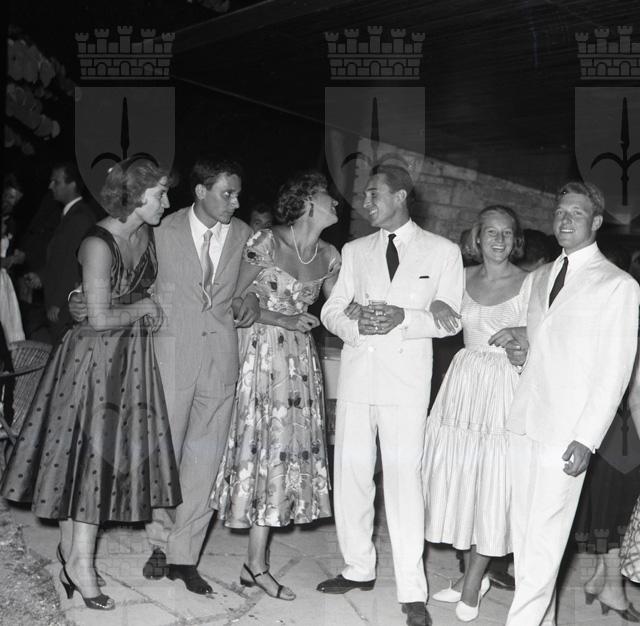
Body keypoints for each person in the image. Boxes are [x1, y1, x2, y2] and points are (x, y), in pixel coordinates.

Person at [1, 158, 182, 611]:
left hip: (128, 361)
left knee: (87, 464)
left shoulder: (145, 234)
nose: (166, 201)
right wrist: (144, 308)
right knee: (89, 463)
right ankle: (81, 565)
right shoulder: (98, 243)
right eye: (159, 193)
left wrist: (138, 304)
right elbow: (99, 318)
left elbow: (131, 295)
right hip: (92, 363)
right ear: (135, 196)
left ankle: (71, 557)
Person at [317, 164, 464, 626]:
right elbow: (331, 310)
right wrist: (355, 325)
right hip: (358, 377)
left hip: (406, 385)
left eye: (374, 193)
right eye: (364, 195)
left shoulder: (443, 251)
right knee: (352, 477)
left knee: (404, 485)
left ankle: (412, 590)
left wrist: (405, 318)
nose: (365, 201)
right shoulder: (355, 250)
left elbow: (451, 319)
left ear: (401, 196)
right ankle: (357, 568)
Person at [491, 181, 640, 625]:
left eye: (576, 213)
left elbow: (614, 371)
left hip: (568, 431)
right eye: (559, 212)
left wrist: (587, 438)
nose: (565, 219)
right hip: (525, 421)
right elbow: (544, 346)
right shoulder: (539, 278)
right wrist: (523, 353)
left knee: (546, 536)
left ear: (596, 222)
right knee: (526, 535)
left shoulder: (618, 285)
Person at [212, 171, 340, 600]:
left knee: (282, 452)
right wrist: (281, 318)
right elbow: (232, 301)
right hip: (262, 353)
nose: (336, 203)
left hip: (301, 363)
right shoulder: (266, 242)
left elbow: (339, 307)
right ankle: (255, 563)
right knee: (261, 449)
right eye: (328, 196)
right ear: (307, 202)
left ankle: (254, 562)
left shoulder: (330, 255)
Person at [141, 157, 259, 595]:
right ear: (200, 191)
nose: (236, 202)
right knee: (165, 456)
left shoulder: (245, 235)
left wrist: (250, 299)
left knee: (204, 461)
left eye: (237, 194)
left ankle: (183, 556)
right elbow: (134, 280)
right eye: (227, 193)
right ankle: (158, 542)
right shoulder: (161, 229)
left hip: (220, 359)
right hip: (171, 355)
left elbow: (253, 283)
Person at [424, 206, 529, 622]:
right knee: (463, 479)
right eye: (491, 232)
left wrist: (524, 333)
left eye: (507, 233)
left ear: (515, 240)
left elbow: (552, 330)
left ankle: (472, 584)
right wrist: (436, 302)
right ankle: (470, 574)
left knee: (492, 484)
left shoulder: (530, 282)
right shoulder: (460, 276)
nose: (499, 240)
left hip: (504, 386)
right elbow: (436, 309)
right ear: (477, 237)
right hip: (463, 385)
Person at [573, 243, 640, 621]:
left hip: (609, 424)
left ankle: (600, 579)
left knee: (613, 509)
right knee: (619, 511)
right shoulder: (627, 304)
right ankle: (612, 588)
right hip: (623, 430)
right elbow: (636, 392)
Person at [24, 162, 96, 344]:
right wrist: (42, 276)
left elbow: (75, 265)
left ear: (72, 185)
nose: (50, 186)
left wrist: (59, 302)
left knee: (65, 351)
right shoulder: (69, 215)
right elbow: (60, 257)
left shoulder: (80, 218)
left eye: (56, 182)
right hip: (61, 302)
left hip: (66, 307)